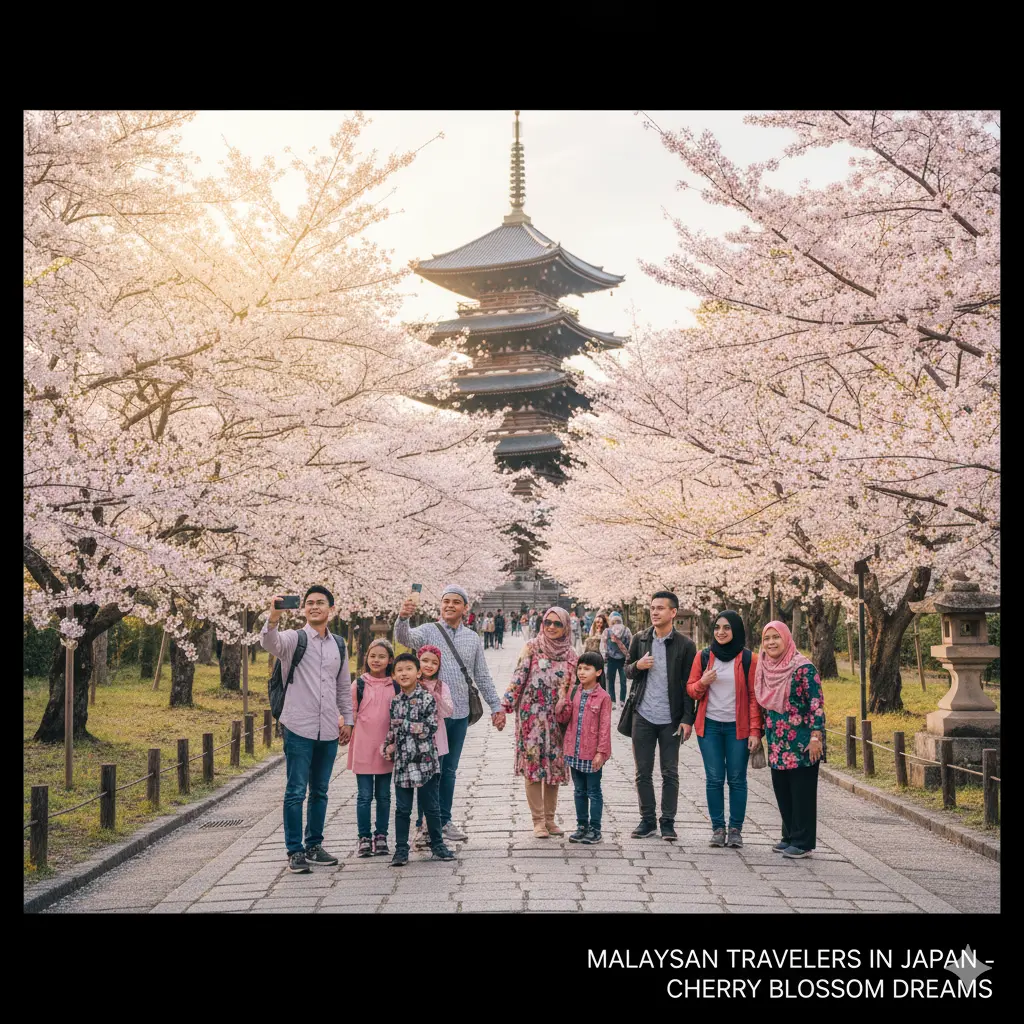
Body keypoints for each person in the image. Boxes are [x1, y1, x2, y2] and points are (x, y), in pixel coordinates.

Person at [395, 584, 506, 842]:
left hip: (459, 714)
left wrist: (496, 706)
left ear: (465, 608)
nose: (450, 606)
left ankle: (444, 820)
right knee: (429, 769)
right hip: (429, 716)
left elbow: (482, 675)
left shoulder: (472, 639)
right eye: (446, 601)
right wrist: (403, 617)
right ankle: (424, 824)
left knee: (449, 770)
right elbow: (404, 638)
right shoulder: (428, 631)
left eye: (456, 602)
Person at [260, 587, 353, 874]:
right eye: (310, 603)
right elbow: (268, 642)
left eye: (320, 603)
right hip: (298, 725)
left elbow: (342, 687)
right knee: (296, 790)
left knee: (321, 791)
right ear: (303, 609)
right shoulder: (293, 639)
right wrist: (273, 617)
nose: (314, 607)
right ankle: (294, 850)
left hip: (327, 727)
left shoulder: (339, 644)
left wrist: (348, 720)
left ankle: (314, 844)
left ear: (331, 609)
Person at [686, 611, 762, 849]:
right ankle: (718, 828)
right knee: (714, 779)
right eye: (717, 627)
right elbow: (691, 690)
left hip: (737, 728)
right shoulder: (704, 656)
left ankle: (736, 829)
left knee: (737, 779)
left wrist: (755, 731)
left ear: (736, 630)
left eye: (727, 627)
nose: (721, 632)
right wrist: (703, 683)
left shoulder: (750, 659)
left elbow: (754, 697)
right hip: (709, 727)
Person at [625, 591, 696, 842]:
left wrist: (688, 719)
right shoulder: (640, 639)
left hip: (671, 718)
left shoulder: (686, 645)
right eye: (652, 608)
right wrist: (637, 666)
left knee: (670, 772)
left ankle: (667, 821)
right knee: (642, 771)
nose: (655, 612)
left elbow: (689, 684)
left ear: (673, 613)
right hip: (642, 715)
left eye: (661, 608)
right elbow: (627, 670)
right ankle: (647, 820)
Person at [501, 605, 576, 837]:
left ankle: (551, 819)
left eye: (557, 624)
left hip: (557, 718)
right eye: (548, 623)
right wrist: (505, 705)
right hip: (531, 716)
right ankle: (538, 821)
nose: (551, 627)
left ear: (566, 627)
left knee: (554, 766)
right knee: (533, 766)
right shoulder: (532, 647)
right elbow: (517, 677)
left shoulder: (571, 655)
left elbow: (576, 686)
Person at [756, 620, 826, 859]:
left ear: (786, 639)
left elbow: (817, 705)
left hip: (803, 742)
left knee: (802, 792)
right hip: (777, 741)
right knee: (782, 790)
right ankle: (789, 835)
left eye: (776, 637)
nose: (771, 642)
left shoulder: (803, 668)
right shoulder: (765, 667)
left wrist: (817, 737)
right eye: (767, 638)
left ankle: (803, 841)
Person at [381, 652, 456, 865]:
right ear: (394, 676)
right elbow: (391, 729)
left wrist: (404, 726)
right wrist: (387, 746)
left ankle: (438, 845)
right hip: (403, 761)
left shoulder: (427, 698)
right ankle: (401, 849)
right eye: (400, 671)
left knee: (431, 805)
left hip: (425, 762)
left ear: (418, 672)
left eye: (409, 669)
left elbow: (429, 728)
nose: (404, 673)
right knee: (402, 808)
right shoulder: (395, 701)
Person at [347, 637, 398, 858]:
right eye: (372, 656)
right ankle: (364, 837)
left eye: (382, 656)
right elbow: (350, 713)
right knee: (364, 795)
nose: (376, 660)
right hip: (363, 746)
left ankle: (381, 835)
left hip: (386, 747)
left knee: (384, 795)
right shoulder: (358, 684)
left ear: (390, 660)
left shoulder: (395, 685)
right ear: (366, 658)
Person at [556, 651, 612, 844]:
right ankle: (582, 825)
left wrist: (601, 753)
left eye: (587, 669)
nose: (581, 672)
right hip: (574, 750)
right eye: (579, 668)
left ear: (598, 672)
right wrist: (563, 699)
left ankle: (595, 829)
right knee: (579, 790)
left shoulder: (603, 697)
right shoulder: (574, 692)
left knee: (593, 791)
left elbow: (605, 727)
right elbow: (563, 718)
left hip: (592, 753)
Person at [413, 645, 453, 849]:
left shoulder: (441, 686)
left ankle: (432, 828)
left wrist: (434, 695)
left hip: (438, 742)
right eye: (425, 661)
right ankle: (420, 826)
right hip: (417, 744)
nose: (429, 665)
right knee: (421, 786)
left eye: (434, 662)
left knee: (434, 787)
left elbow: (448, 711)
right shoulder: (412, 683)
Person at [600, 612, 632, 709]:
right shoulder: (626, 630)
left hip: (611, 659)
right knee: (623, 680)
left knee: (611, 681)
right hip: (623, 659)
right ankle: (622, 701)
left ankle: (613, 701)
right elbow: (631, 643)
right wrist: (629, 655)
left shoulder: (607, 631)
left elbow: (603, 645)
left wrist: (604, 655)